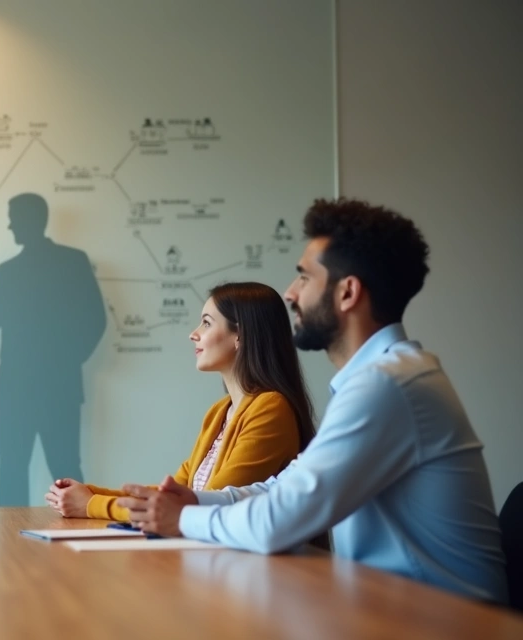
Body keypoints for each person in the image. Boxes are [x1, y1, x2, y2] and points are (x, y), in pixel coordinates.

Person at [115, 198, 508, 604]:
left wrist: (183, 518)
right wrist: (196, 499)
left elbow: (278, 522)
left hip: (446, 624)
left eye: (304, 278)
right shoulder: (378, 379)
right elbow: (283, 489)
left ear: (348, 292)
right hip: (393, 611)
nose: (290, 293)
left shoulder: (388, 386)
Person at [45, 282, 314, 522]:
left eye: (207, 323)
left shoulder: (271, 409)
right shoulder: (219, 412)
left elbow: (200, 506)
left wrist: (91, 504)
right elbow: (174, 493)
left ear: (239, 336)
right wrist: (89, 493)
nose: (193, 334)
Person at [0, 193, 106, 506]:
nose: (10, 225)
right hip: (56, 390)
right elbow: (96, 320)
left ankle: (10, 543)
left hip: (18, 392)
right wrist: (67, 363)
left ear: (29, 220)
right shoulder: (67, 262)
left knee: (22, 473)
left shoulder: (14, 271)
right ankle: (73, 543)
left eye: (13, 218)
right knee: (64, 472)